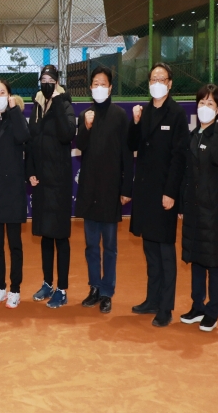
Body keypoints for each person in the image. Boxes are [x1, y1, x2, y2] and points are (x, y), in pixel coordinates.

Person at [128, 62, 189, 327]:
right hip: (145, 193)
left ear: (170, 83)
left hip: (164, 193)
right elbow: (132, 144)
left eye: (161, 78)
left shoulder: (177, 114)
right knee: (150, 249)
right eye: (153, 78)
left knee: (165, 251)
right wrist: (135, 122)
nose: (156, 82)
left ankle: (165, 307)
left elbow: (179, 158)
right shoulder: (145, 111)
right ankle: (152, 300)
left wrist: (171, 193)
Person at [75, 66, 134, 314]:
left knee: (109, 246)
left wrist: (126, 188)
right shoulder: (84, 115)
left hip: (110, 190)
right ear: (90, 88)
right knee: (91, 245)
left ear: (110, 88)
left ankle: (107, 291)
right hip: (89, 190)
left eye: (103, 84)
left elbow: (127, 155)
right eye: (95, 84)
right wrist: (86, 127)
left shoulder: (120, 116)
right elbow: (80, 146)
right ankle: (94, 288)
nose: (99, 87)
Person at [179, 84, 218, 332]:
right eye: (201, 102)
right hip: (193, 209)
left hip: (213, 212)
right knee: (197, 260)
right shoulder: (193, 135)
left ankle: (213, 311)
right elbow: (186, 174)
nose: (205, 107)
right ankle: (197, 306)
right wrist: (182, 203)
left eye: (210, 103)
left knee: (214, 262)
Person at [26, 65, 76, 309]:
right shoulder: (36, 105)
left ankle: (62, 289)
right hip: (41, 182)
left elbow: (67, 134)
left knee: (60, 236)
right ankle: (47, 283)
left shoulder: (64, 104)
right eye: (43, 79)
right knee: (45, 235)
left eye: (50, 79)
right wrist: (31, 171)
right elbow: (31, 140)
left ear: (57, 82)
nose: (46, 83)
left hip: (59, 181)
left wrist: (56, 103)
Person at [0, 79, 30, 308]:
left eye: (2, 92)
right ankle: (0, 287)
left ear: (10, 95)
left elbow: (23, 137)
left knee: (15, 244)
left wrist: (13, 109)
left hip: (13, 192)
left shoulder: (16, 117)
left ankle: (15, 289)